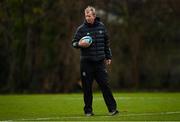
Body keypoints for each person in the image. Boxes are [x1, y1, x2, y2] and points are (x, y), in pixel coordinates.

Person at [72, 6, 119, 116]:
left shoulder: (102, 27)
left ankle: (112, 109)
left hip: (99, 63)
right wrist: (79, 44)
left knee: (105, 85)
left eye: (89, 16)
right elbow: (73, 43)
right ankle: (88, 111)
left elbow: (106, 43)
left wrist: (108, 57)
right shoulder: (81, 29)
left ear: (94, 16)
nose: (87, 18)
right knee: (87, 88)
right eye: (86, 16)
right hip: (86, 63)